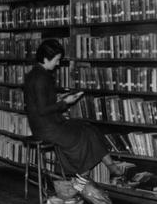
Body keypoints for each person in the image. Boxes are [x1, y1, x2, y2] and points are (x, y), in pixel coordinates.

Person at [24, 39, 123, 177]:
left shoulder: (35, 74)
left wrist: (58, 98)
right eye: (57, 60)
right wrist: (66, 102)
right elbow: (42, 110)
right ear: (46, 59)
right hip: (47, 128)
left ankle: (110, 166)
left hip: (45, 124)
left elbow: (40, 102)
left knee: (88, 128)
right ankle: (82, 180)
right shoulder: (41, 78)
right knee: (82, 137)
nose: (58, 63)